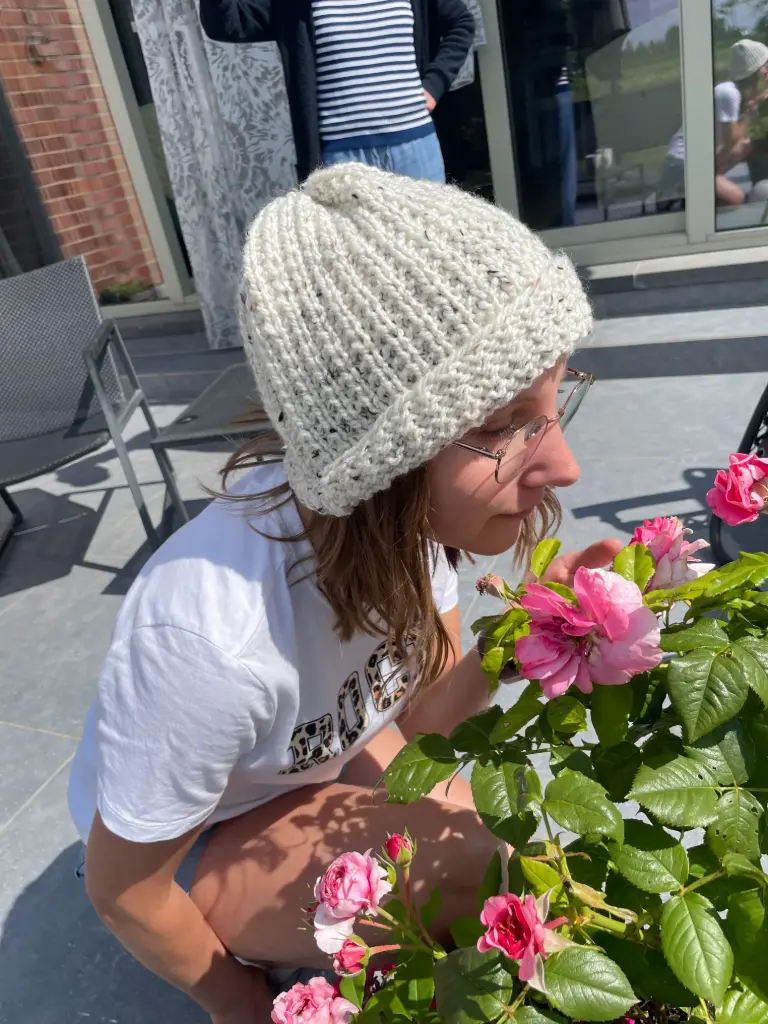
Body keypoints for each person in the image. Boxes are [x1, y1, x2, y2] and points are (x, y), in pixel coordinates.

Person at [68, 162, 615, 1024]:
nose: (562, 466)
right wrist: (238, 1001)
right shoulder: (211, 640)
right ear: (377, 461)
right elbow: (123, 891)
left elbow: (425, 716)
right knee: (471, 876)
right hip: (198, 834)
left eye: (552, 406)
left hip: (313, 758)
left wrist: (524, 634)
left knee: (506, 859)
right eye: (499, 426)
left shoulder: (407, 532)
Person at [198, 0, 475, 184]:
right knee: (355, 266)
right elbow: (227, 23)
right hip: (342, 160)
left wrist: (435, 84)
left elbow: (461, 22)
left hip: (415, 149)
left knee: (427, 254)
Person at [658, 38, 768, 210]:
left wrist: (752, 107)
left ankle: (704, 187)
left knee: (746, 145)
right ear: (759, 71)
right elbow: (731, 142)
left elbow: (736, 140)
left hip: (697, 159)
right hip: (682, 163)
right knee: (737, 198)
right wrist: (750, 112)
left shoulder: (734, 92)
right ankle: (680, 197)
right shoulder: (728, 93)